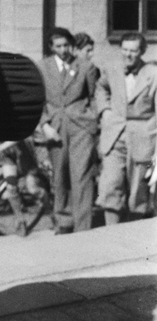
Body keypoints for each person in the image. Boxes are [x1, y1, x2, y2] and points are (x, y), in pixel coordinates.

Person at [37, 27, 99, 233]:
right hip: (55, 127)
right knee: (60, 175)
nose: (63, 50)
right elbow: (38, 101)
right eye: (58, 46)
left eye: (66, 45)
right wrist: (45, 125)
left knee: (81, 175)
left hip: (81, 127)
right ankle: (64, 222)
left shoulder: (85, 66)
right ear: (51, 47)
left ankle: (83, 227)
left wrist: (91, 122)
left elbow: (93, 96)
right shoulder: (43, 67)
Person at [95, 32, 157, 223]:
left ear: (142, 52)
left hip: (143, 138)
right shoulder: (111, 68)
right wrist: (105, 110)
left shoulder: (152, 73)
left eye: (133, 51)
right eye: (125, 50)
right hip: (114, 135)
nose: (128, 55)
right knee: (109, 185)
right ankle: (110, 234)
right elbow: (101, 88)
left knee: (139, 190)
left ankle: (133, 237)